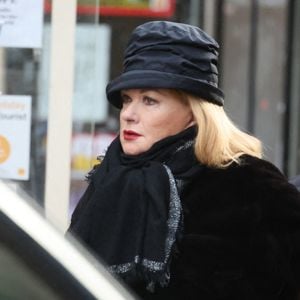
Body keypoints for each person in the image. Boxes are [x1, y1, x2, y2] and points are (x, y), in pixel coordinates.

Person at [68, 21, 300, 299]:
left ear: (193, 112)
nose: (129, 113)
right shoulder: (110, 176)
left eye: (150, 100)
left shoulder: (251, 186)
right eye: (127, 99)